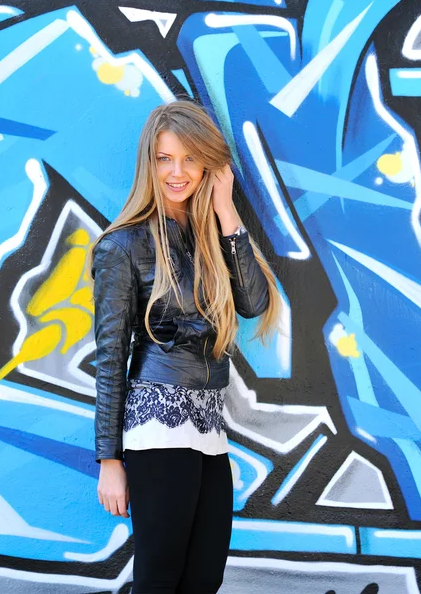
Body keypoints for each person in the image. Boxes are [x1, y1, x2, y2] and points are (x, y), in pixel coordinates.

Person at [90, 100, 282, 593]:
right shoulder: (122, 247)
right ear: (148, 163)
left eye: (189, 159)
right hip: (157, 427)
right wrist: (110, 461)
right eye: (164, 159)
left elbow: (254, 303)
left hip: (208, 427)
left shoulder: (209, 238)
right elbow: (110, 358)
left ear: (208, 166)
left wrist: (225, 210)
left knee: (203, 580)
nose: (177, 173)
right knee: (159, 580)